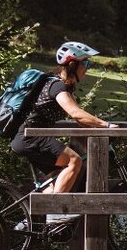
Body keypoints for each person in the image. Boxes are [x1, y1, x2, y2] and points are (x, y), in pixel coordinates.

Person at [10, 41, 114, 229]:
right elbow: (76, 113)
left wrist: (96, 127)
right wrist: (105, 125)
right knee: (75, 161)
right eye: (86, 63)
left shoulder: (62, 86)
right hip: (30, 137)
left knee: (52, 187)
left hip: (27, 138)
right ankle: (54, 213)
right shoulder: (57, 86)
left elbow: (80, 119)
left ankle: (26, 226)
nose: (87, 68)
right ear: (73, 65)